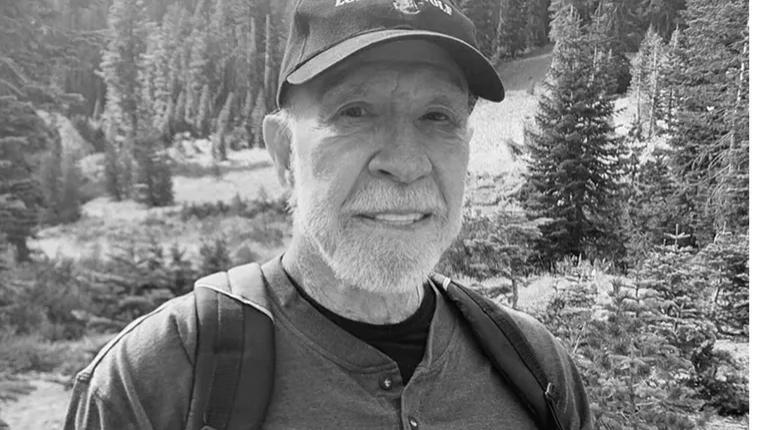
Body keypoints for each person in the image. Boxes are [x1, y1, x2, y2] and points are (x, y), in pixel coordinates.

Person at [65, 0, 593, 429]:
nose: (405, 163)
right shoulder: (154, 378)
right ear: (283, 153)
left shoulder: (538, 370)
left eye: (438, 116)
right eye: (354, 112)